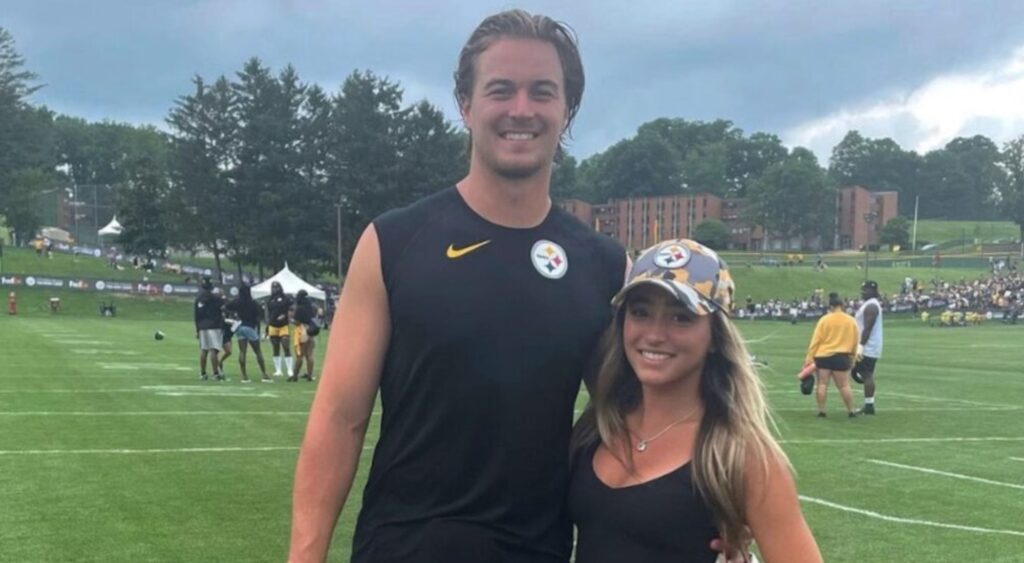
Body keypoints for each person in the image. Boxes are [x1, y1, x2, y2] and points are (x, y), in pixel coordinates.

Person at [288, 11, 746, 562]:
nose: (521, 110)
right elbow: (340, 418)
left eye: (542, 92)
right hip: (403, 549)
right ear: (466, 104)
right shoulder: (394, 242)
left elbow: (642, 415)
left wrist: (716, 506)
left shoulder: (602, 264)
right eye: (501, 90)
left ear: (567, 110)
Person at [569, 239, 822, 563]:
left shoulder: (740, 456)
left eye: (681, 317)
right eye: (641, 312)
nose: (655, 334)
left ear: (715, 336)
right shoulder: (599, 424)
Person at [805, 292, 859, 418]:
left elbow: (816, 340)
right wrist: (853, 355)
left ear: (831, 306)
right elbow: (855, 340)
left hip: (823, 355)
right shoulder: (851, 321)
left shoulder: (824, 320)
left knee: (822, 384)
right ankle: (851, 410)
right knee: (844, 385)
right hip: (842, 356)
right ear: (842, 305)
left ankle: (821, 410)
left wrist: (809, 357)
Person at [225, 283, 272, 383]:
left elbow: (226, 307)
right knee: (258, 351)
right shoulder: (253, 303)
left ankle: (244, 375)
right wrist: (258, 330)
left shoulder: (237, 302)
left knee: (242, 352)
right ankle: (264, 374)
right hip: (250, 327)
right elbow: (258, 317)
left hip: (240, 327)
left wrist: (233, 315)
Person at [853, 280, 884, 415]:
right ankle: (869, 404)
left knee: (867, 375)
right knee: (860, 372)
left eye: (865, 290)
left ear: (873, 291)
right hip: (868, 345)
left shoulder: (871, 306)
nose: (862, 292)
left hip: (868, 346)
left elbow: (867, 328)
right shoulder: (868, 304)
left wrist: (860, 346)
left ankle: (869, 405)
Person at [193, 277, 225, 381]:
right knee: (214, 350)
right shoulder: (215, 298)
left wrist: (197, 329)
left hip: (202, 326)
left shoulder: (199, 299)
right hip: (214, 326)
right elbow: (224, 306)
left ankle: (203, 373)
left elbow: (196, 315)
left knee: (204, 350)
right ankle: (215, 373)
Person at [288, 289, 318, 383]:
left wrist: (291, 320)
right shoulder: (311, 307)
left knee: (300, 355)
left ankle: (295, 375)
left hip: (302, 331)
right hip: (311, 330)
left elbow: (297, 322)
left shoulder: (300, 308)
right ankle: (309, 375)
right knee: (310, 354)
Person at [265, 281, 294, 377]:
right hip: (273, 325)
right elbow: (269, 314)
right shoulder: (270, 300)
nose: (275, 289)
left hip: (283, 325)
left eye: (276, 287)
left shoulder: (285, 299)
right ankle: (278, 370)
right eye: (273, 288)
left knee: (286, 345)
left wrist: (286, 316)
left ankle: (290, 369)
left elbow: (291, 309)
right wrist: (267, 326)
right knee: (275, 347)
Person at [213, 287, 234, 378]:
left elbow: (230, 312)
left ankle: (220, 363)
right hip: (219, 329)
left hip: (227, 329)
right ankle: (217, 370)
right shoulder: (214, 303)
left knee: (229, 351)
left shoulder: (226, 302)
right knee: (215, 351)